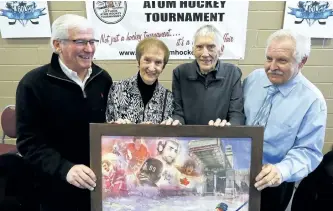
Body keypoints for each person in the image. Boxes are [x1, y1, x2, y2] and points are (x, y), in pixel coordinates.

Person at [15, 14, 113, 211]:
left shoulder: (103, 79)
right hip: (55, 186)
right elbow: (28, 142)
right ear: (57, 45)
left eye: (92, 41)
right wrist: (65, 169)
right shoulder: (33, 84)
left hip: (99, 183)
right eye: (80, 42)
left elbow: (107, 128)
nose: (89, 49)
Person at [242, 29, 327, 211]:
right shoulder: (253, 80)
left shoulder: (312, 101)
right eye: (268, 58)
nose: (272, 67)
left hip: (275, 181)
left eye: (282, 60)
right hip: (238, 173)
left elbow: (309, 151)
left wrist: (282, 170)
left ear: (302, 62)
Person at [162, 24, 245, 126]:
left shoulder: (233, 73)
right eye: (199, 47)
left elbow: (236, 115)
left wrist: (229, 128)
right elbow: (178, 113)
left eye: (211, 47)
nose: (205, 54)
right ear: (193, 50)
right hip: (188, 138)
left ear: (221, 49)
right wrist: (176, 123)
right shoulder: (180, 73)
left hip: (221, 136)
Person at [106, 37, 173, 124]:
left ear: (163, 67)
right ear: (138, 62)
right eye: (147, 60)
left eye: (158, 62)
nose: (152, 68)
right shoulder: (117, 89)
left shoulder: (168, 97)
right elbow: (107, 128)